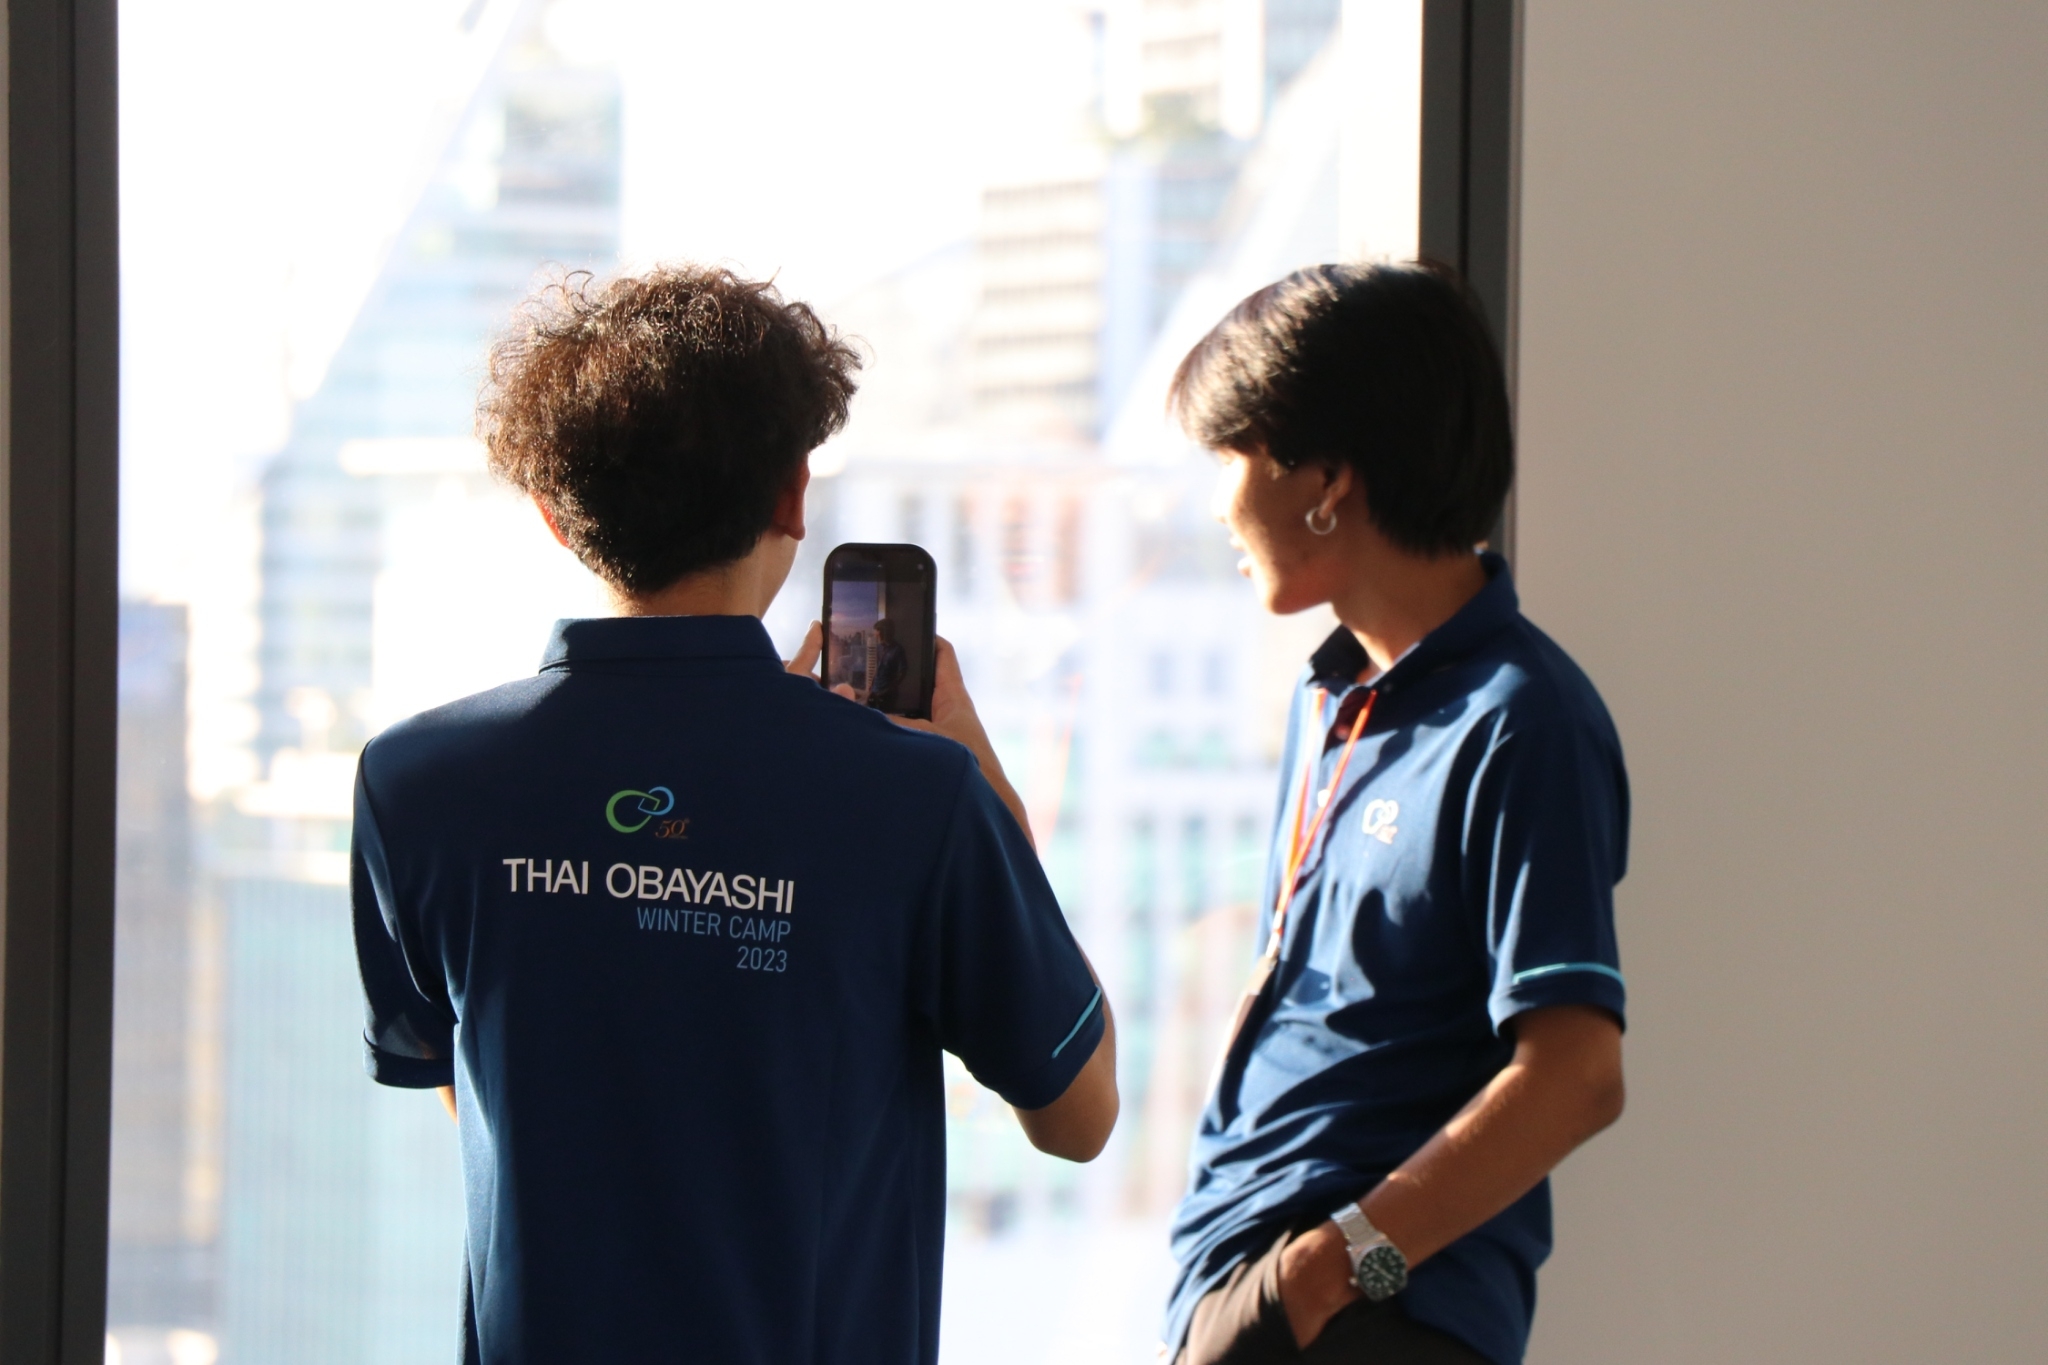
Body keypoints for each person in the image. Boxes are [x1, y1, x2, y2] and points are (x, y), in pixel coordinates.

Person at [349, 264, 1118, 1364]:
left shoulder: (415, 783)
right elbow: (1079, 1117)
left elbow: (471, 1086)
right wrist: (979, 779)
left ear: (555, 515)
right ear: (793, 497)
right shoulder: (916, 796)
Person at [1161, 263, 1627, 1365]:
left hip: (1372, 1318)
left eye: (1230, 458)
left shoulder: (1521, 718)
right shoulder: (1329, 698)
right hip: (1249, 1284)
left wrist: (1334, 1273)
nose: (1218, 503)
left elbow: (1576, 1075)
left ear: (1325, 481)